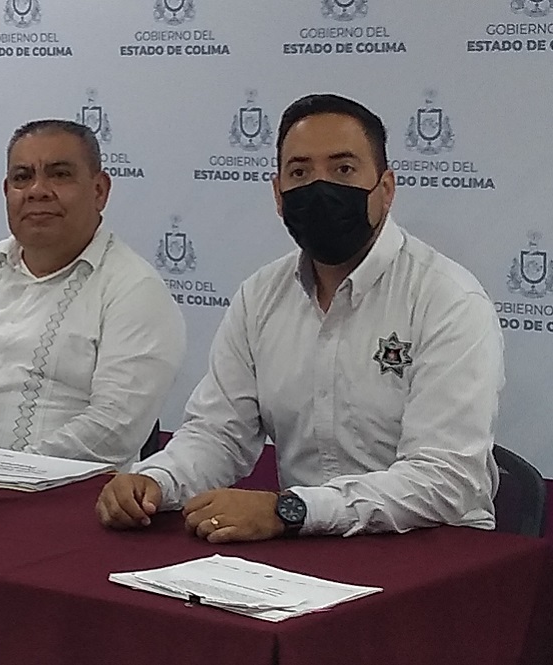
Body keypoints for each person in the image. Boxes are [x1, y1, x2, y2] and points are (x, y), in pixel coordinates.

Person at [96, 94, 504, 540]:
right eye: (300, 173)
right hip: (304, 544)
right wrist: (156, 481)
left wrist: (292, 509)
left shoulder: (448, 299)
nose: (320, 188)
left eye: (343, 170)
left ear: (386, 189)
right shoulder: (260, 296)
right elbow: (218, 434)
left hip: (435, 550)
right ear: (278, 194)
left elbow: (445, 479)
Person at [0, 119, 185, 467]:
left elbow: (114, 428)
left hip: (55, 492)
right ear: (6, 190)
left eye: (59, 175)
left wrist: (0, 471)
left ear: (99, 190)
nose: (37, 190)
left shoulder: (135, 290)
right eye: (22, 177)